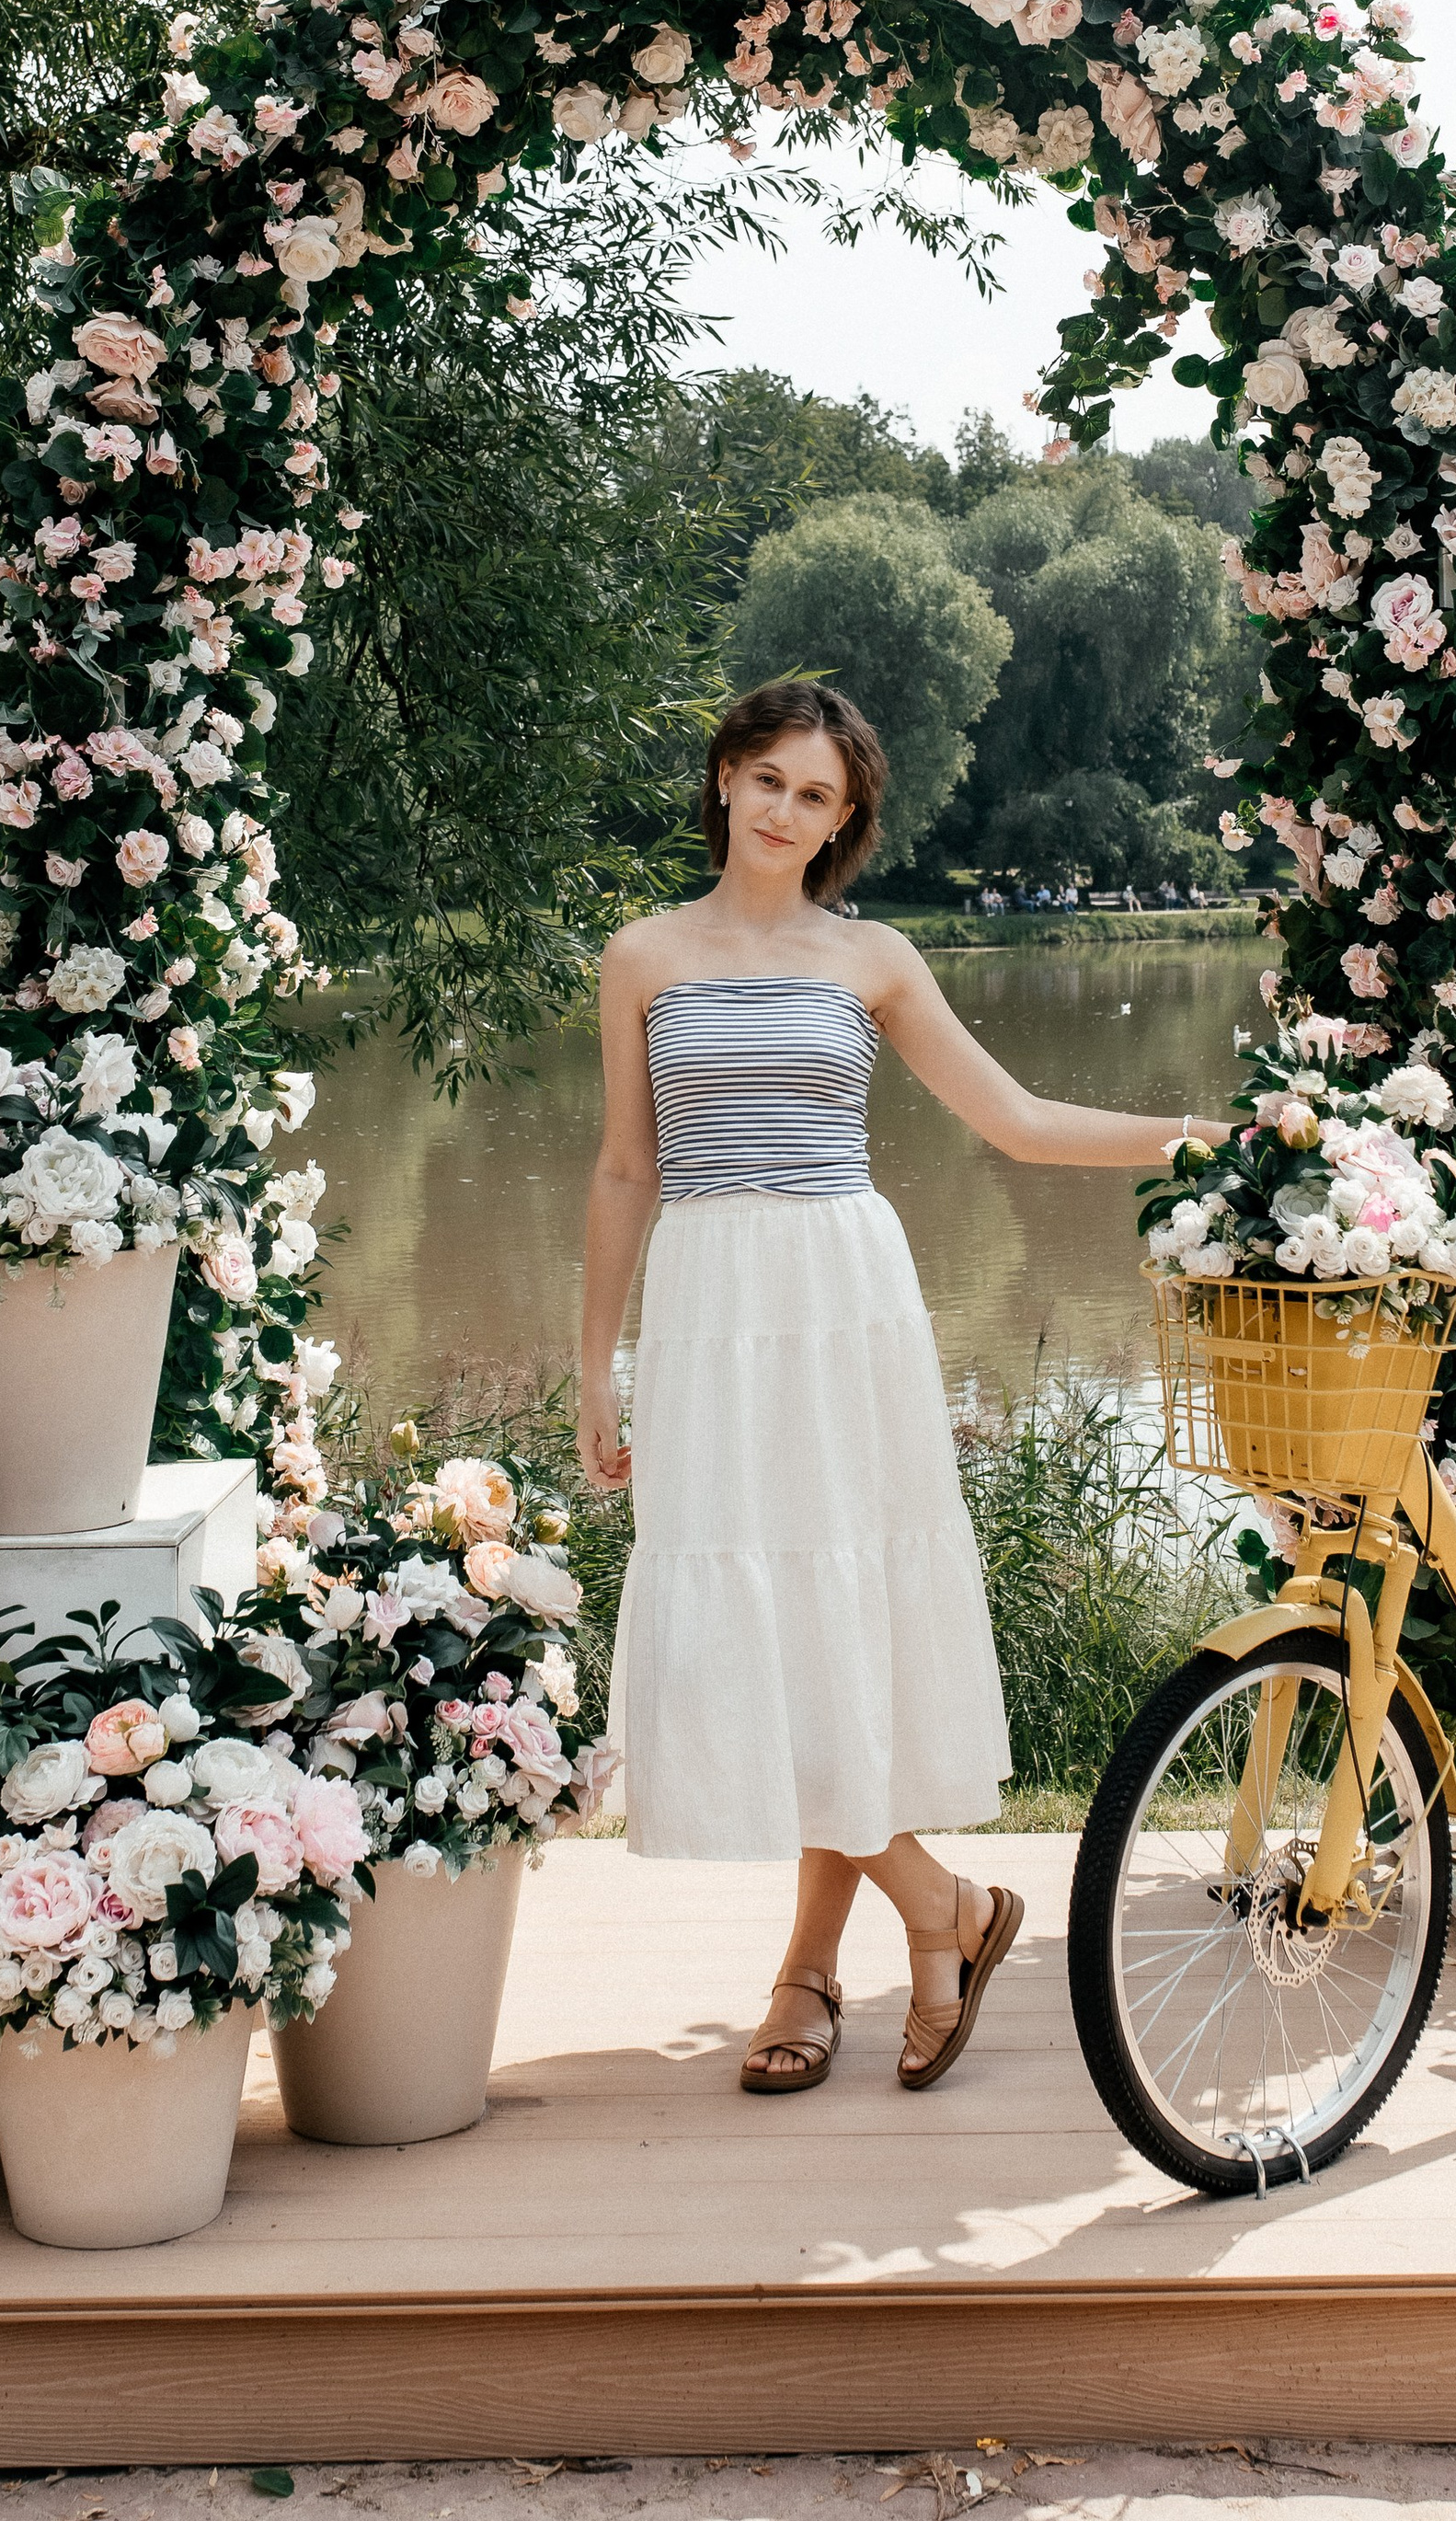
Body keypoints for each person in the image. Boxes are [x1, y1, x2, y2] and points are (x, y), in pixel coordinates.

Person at [579, 679, 1231, 2097]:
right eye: (766, 778)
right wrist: (593, 1363)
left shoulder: (870, 955)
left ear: (846, 820)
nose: (785, 810)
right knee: (732, 1634)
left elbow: (1017, 1117)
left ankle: (819, 1970)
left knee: (831, 1615)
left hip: (838, 1301)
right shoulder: (643, 954)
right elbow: (627, 1167)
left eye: (818, 795)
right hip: (707, 1303)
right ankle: (945, 1912)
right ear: (725, 777)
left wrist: (1201, 1137)